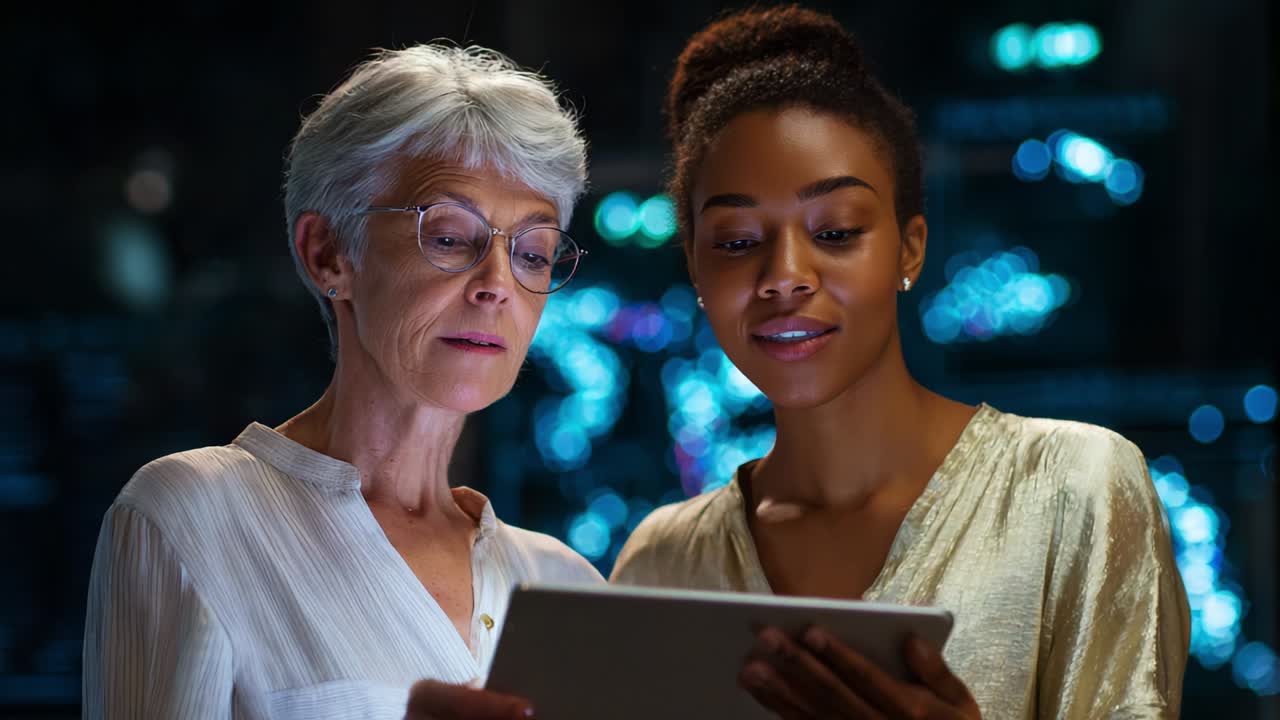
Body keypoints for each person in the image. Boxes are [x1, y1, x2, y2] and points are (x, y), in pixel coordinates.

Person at [611, 7, 1190, 719]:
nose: (784, 275)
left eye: (836, 231)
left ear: (909, 248)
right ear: (696, 273)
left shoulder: (1075, 490)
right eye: (734, 241)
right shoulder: (662, 567)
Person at [83, 44, 602, 719]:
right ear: (328, 254)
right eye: (449, 237)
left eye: (532, 252)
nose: (498, 287)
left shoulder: (564, 586)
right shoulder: (192, 517)